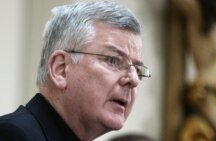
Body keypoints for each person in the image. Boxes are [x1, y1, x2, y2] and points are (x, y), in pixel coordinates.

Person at [0, 1, 151, 141]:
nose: (134, 79)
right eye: (113, 60)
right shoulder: (13, 135)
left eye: (137, 69)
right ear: (61, 69)